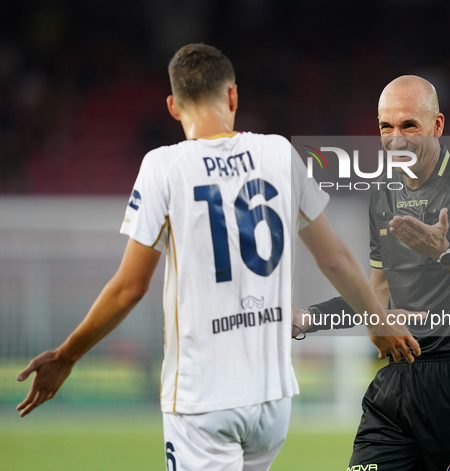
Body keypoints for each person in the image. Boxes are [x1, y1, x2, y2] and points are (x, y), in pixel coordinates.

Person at [15, 44, 420, 471]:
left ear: (173, 106)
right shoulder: (279, 154)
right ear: (233, 97)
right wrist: (378, 320)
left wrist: (68, 355)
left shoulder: (163, 166)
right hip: (272, 398)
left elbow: (130, 287)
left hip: (203, 399)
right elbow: (334, 258)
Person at [297, 75, 450, 471]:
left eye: (408, 125)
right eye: (386, 126)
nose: (396, 140)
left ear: (437, 125)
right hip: (397, 380)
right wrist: (309, 318)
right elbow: (377, 294)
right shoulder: (382, 193)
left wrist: (444, 251)